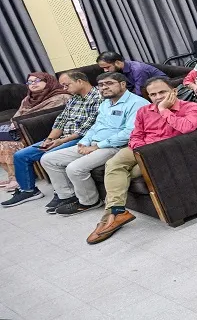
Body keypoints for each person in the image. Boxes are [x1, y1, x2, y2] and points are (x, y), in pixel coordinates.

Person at [86, 76, 197, 244]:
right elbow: (136, 135)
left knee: (131, 172)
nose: (158, 97)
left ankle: (111, 217)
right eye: (153, 94)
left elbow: (186, 128)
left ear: (174, 91)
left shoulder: (191, 107)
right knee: (113, 164)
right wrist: (140, 149)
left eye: (162, 92)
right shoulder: (144, 111)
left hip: (162, 152)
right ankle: (116, 211)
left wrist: (164, 110)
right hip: (140, 149)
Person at [40, 71, 145, 215]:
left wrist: (96, 146)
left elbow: (129, 133)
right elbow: (95, 126)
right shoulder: (106, 103)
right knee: (48, 159)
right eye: (101, 85)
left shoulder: (136, 103)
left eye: (109, 83)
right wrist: (84, 143)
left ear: (122, 84)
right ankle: (68, 196)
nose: (104, 88)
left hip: (115, 146)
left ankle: (89, 202)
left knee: (74, 168)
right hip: (94, 143)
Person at [2, 71, 102, 208]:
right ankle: (29, 191)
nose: (64, 89)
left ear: (79, 81)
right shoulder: (74, 98)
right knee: (21, 155)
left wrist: (61, 141)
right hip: (62, 137)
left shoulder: (98, 97)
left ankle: (67, 194)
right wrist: (49, 139)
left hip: (80, 138)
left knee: (49, 156)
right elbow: (61, 121)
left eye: (67, 85)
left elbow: (88, 127)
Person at [0, 72, 70, 190]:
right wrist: (13, 123)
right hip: (23, 128)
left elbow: (46, 117)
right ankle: (13, 176)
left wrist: (20, 122)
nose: (33, 84)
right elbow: (18, 115)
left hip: (42, 130)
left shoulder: (60, 96)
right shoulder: (28, 99)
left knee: (8, 144)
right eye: (30, 82)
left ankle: (17, 178)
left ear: (48, 82)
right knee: (1, 139)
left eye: (37, 81)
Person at [94, 51, 167, 97]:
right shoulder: (118, 70)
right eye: (103, 68)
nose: (105, 71)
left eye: (107, 67)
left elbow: (140, 92)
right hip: (145, 89)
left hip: (163, 86)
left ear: (117, 63)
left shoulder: (137, 69)